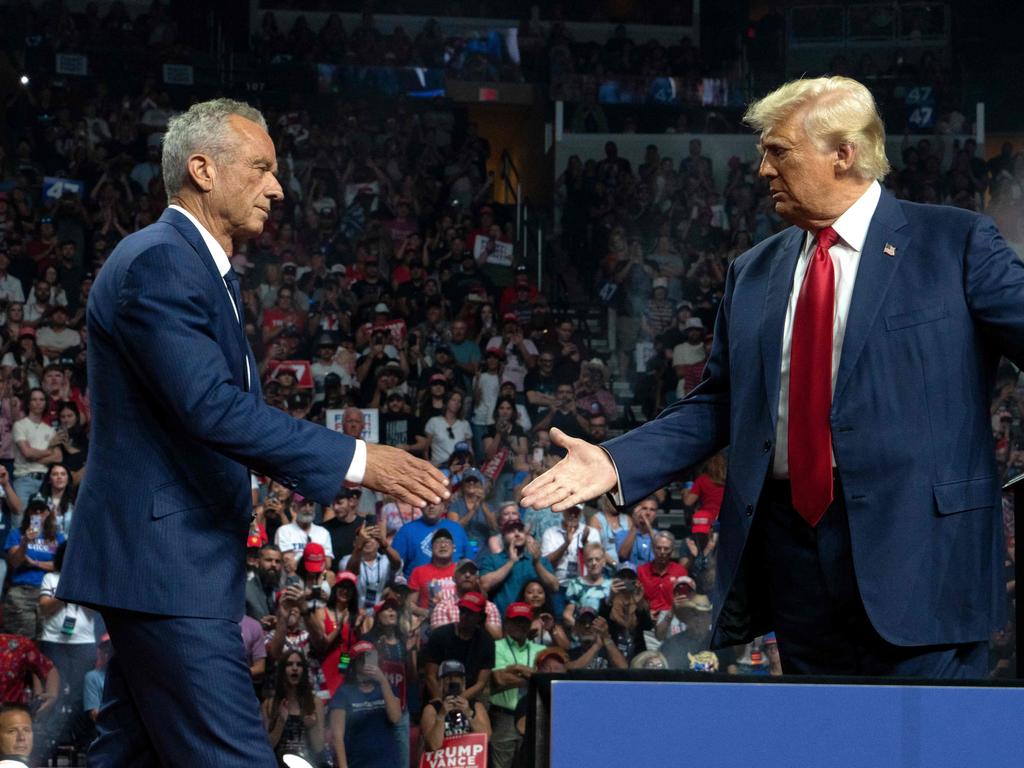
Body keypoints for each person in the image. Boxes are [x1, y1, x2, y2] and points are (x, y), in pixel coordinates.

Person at [522, 76, 1024, 679]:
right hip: (797, 562)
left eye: (778, 150)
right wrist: (617, 462)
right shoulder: (754, 271)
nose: (761, 169)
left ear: (844, 152)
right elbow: (718, 404)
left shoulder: (955, 242)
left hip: (924, 555)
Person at [57, 99, 450, 767]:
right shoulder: (160, 260)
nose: (277, 187)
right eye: (262, 168)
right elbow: (209, 406)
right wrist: (358, 458)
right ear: (203, 169)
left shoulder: (198, 269)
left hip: (169, 567)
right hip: (168, 570)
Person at [327, 640, 402, 768]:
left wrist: (383, 681)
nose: (367, 663)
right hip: (357, 762)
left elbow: (395, 718)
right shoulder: (344, 693)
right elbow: (337, 737)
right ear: (354, 664)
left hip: (388, 762)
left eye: (370, 657)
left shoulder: (387, 688)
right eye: (361, 659)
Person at [489, 602, 546, 768]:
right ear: (506, 623)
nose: (520, 625)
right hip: (503, 717)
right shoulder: (496, 646)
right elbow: (499, 679)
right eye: (515, 621)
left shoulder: (541, 649)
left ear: (530, 624)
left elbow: (547, 679)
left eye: (524, 621)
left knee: (533, 763)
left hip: (533, 718)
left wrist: (517, 669)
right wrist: (534, 676)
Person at [3, 497, 65, 638]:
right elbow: (15, 562)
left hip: (48, 593)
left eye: (41, 510)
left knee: (46, 640)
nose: (37, 513)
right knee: (21, 641)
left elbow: (60, 565)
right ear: (28, 513)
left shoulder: (58, 537)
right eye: (34, 510)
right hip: (22, 591)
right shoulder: (17, 534)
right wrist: (25, 542)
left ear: (47, 513)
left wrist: (34, 563)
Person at [261, 650, 325, 768]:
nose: (295, 668)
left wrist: (311, 727)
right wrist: (280, 721)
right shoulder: (270, 703)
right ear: (282, 670)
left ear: (304, 671)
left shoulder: (315, 703)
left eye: (299, 665)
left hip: (308, 763)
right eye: (289, 664)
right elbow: (266, 747)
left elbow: (319, 747)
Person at [419, 659, 491, 752]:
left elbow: (486, 738)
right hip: (443, 761)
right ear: (440, 682)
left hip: (468, 759)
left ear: (463, 681)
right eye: (448, 677)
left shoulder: (476, 706)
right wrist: (441, 716)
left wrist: (469, 713)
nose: (453, 680)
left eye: (457, 677)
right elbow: (433, 745)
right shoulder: (431, 709)